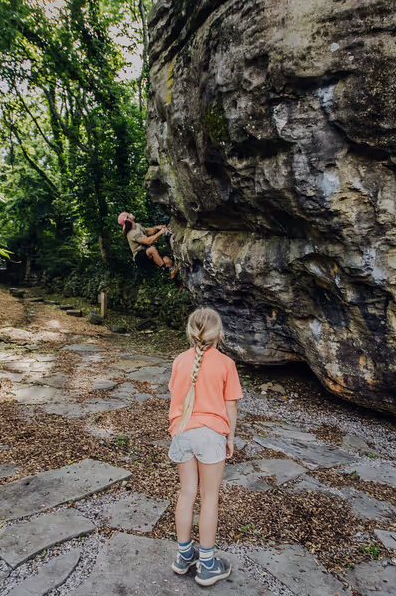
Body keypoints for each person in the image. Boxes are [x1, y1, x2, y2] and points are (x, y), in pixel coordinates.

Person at [168, 308, 243, 586]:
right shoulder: (226, 364)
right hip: (211, 435)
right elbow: (230, 405)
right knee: (209, 497)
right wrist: (230, 438)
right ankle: (208, 564)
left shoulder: (179, 360)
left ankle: (184, 555)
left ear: (190, 332)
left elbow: (175, 394)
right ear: (219, 335)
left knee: (187, 492)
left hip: (183, 431)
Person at [118, 211, 178, 278]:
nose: (131, 214)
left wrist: (158, 228)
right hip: (140, 257)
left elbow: (148, 231)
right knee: (152, 250)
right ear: (127, 218)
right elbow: (148, 241)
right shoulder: (132, 234)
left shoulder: (137, 225)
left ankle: (176, 281)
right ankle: (166, 270)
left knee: (169, 262)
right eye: (129, 214)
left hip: (147, 251)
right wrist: (160, 232)